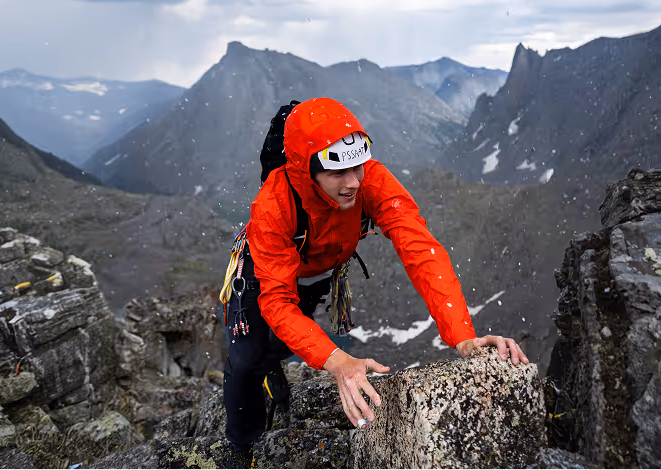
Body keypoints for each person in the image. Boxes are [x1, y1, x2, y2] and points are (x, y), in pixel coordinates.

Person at [223, 97, 529, 469]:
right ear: (307, 170)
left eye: (357, 167)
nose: (353, 182)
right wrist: (337, 362)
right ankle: (241, 445)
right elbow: (276, 302)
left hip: (315, 273)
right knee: (244, 362)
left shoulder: (373, 179)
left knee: (280, 348)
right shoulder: (274, 203)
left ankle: (271, 365)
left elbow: (421, 251)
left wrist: (463, 335)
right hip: (261, 275)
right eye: (339, 172)